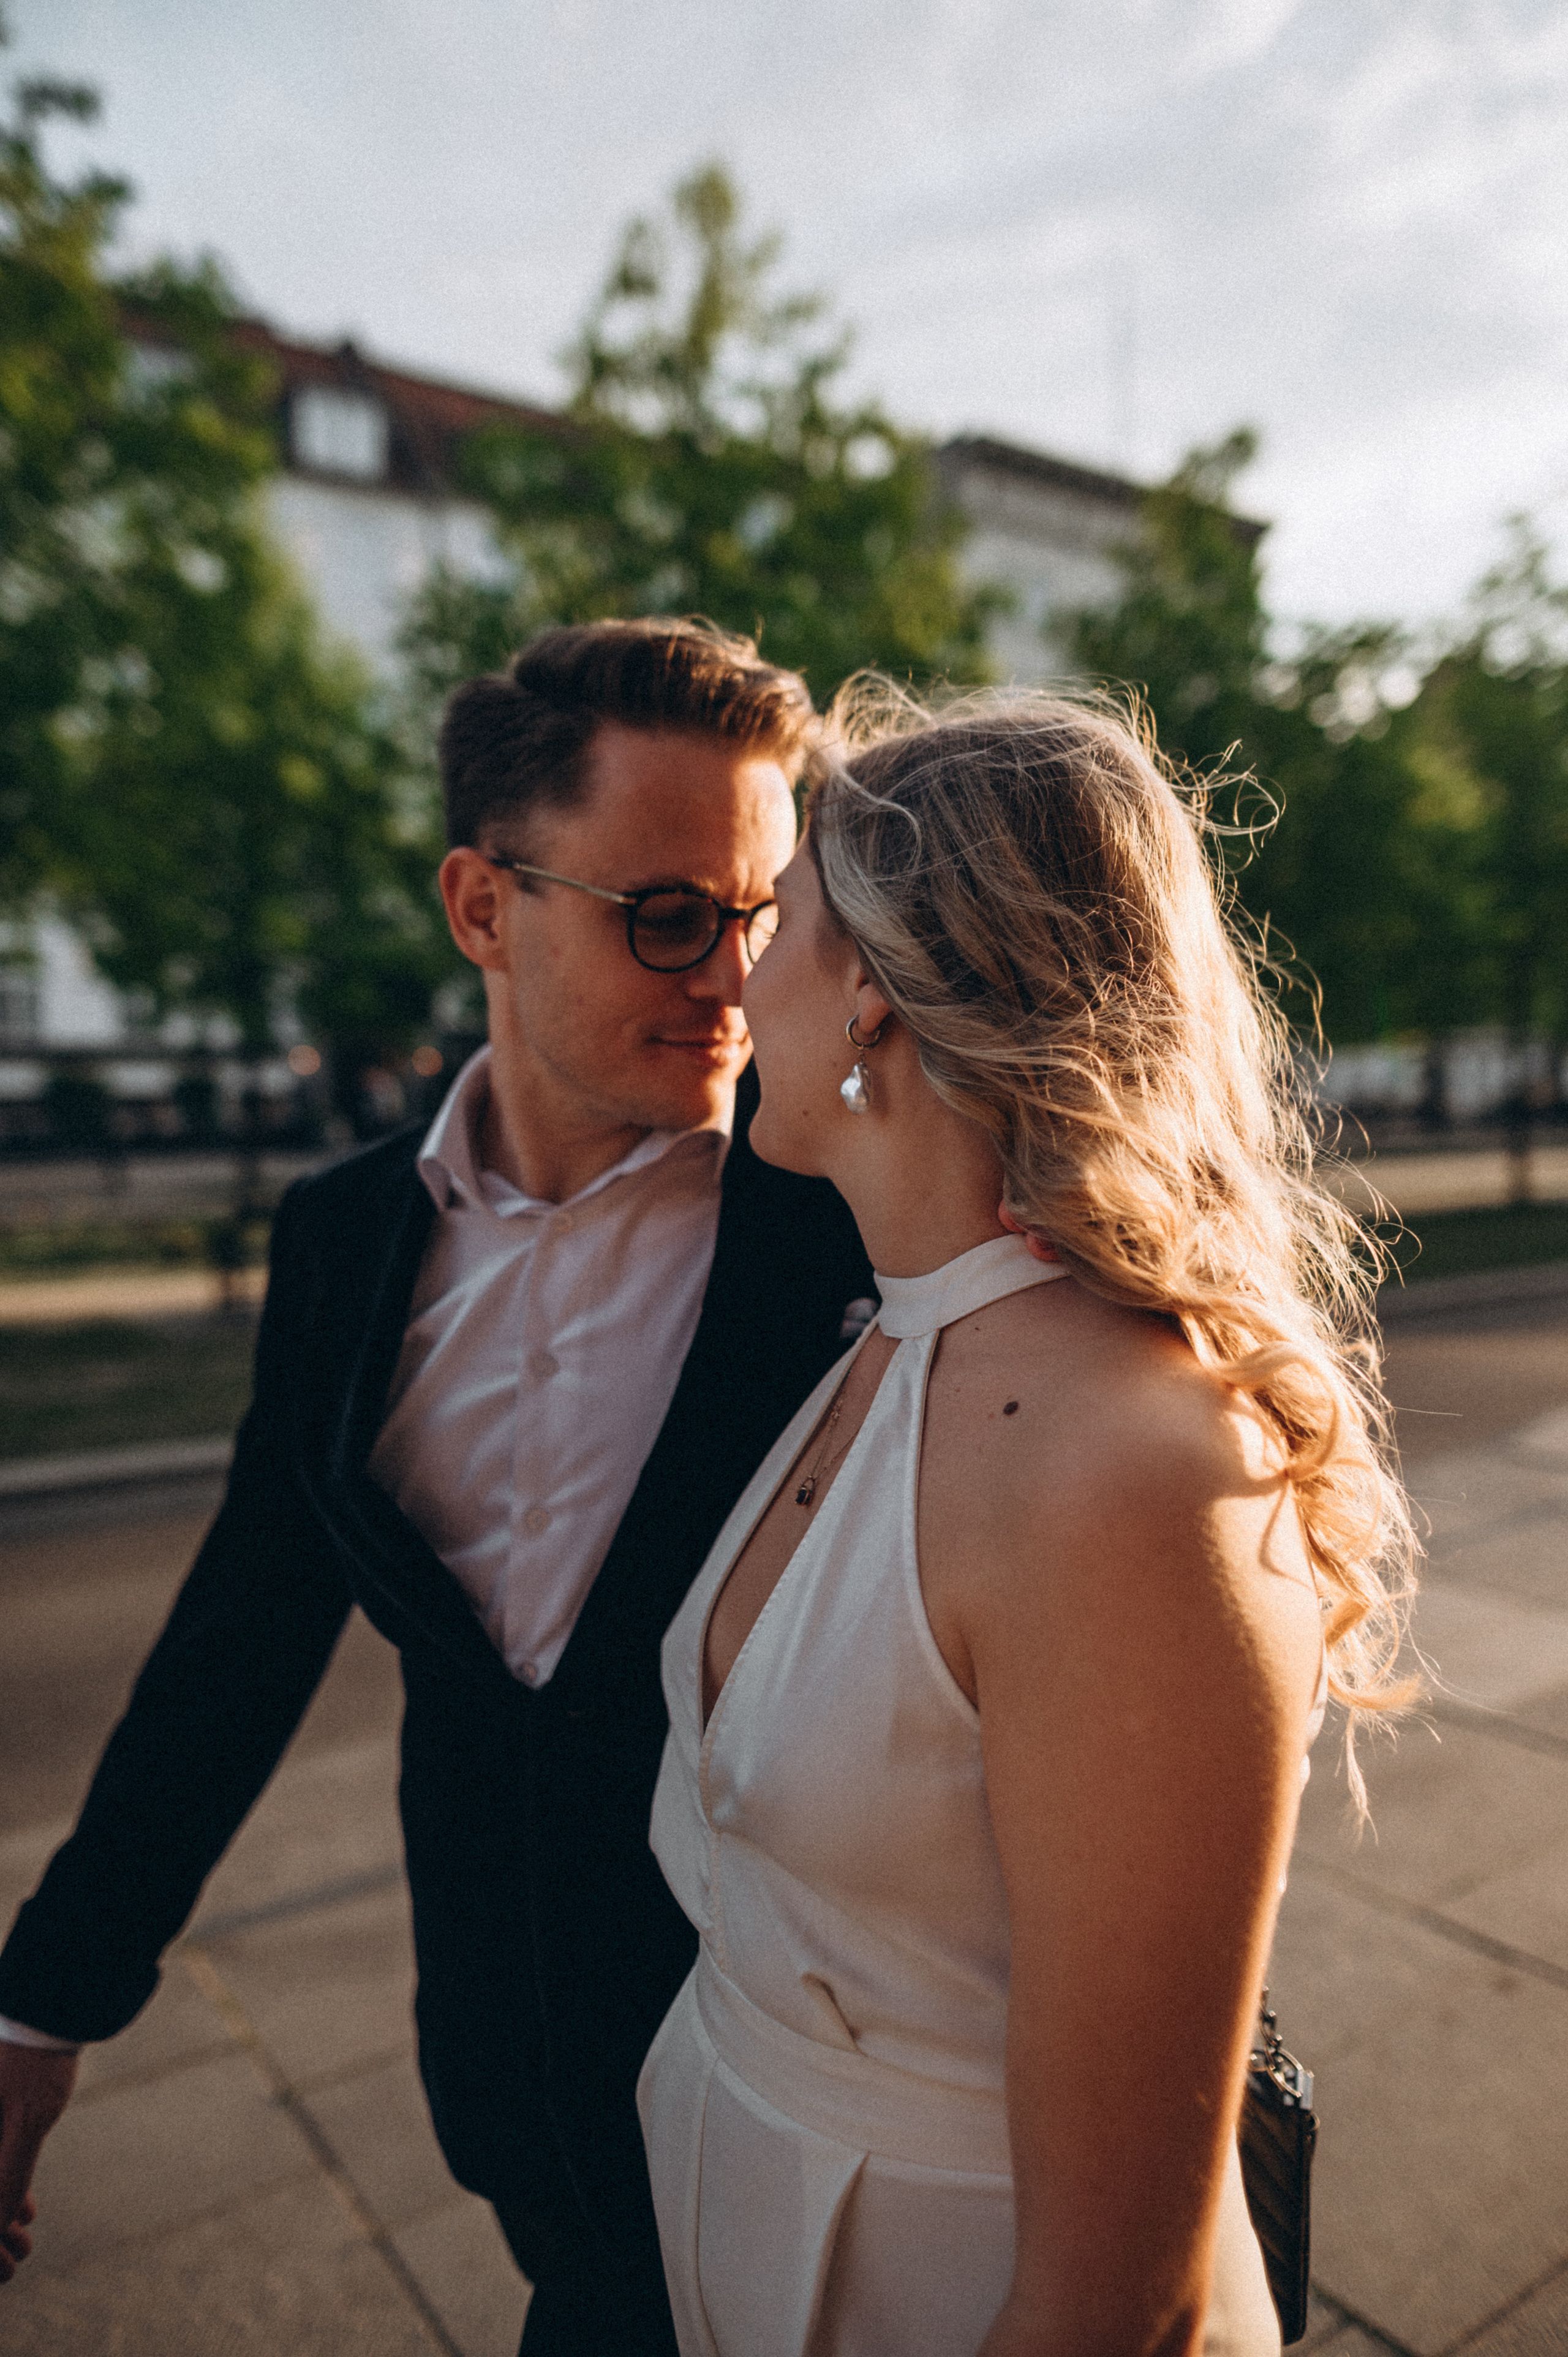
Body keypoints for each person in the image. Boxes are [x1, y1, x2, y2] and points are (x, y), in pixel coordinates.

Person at [0, 619, 875, 2354]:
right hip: (511, 2089)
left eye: (763, 920)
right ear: (483, 907)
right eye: (670, 916)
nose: (731, 980)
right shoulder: (340, 1243)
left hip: (810, 2098)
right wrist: (42, 2014)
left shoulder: (847, 1209)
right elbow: (242, 1637)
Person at [637, 686, 1415, 2356]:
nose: (730, 975)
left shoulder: (1132, 1472)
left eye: (771, 921)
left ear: (868, 995)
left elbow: (1111, 2298)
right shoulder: (887, 1335)